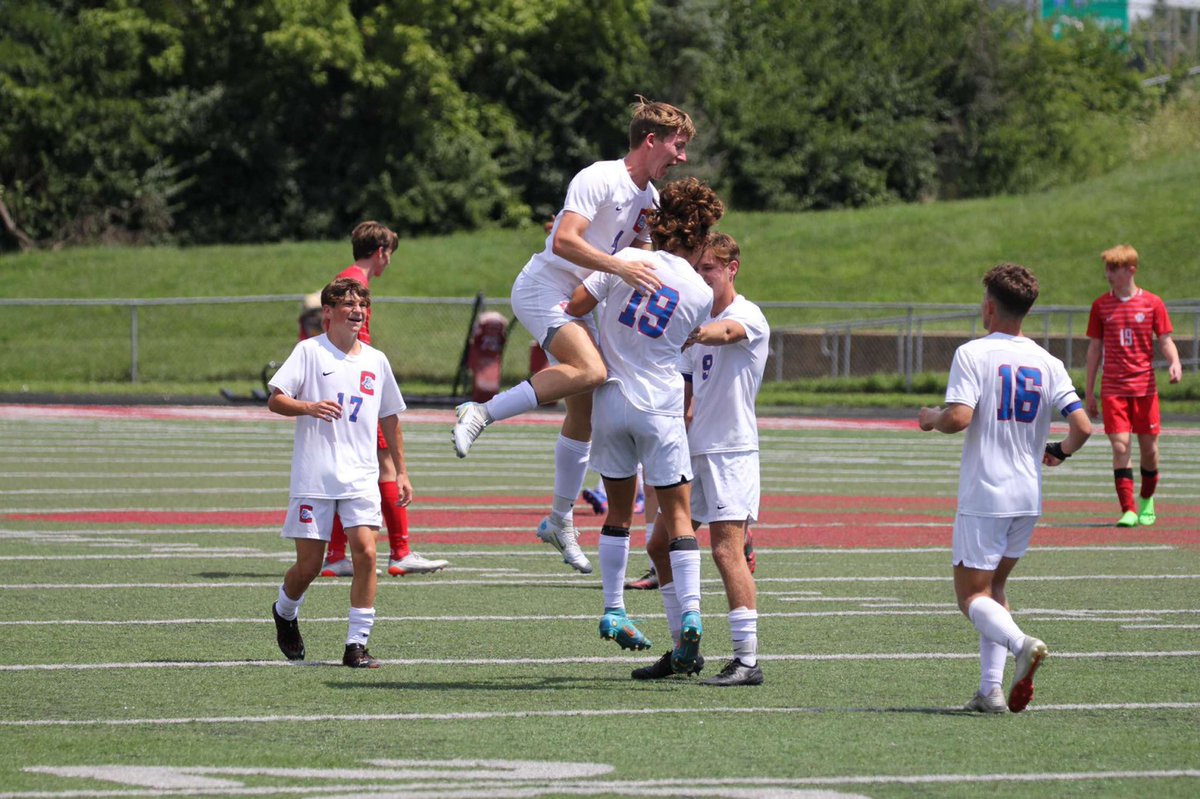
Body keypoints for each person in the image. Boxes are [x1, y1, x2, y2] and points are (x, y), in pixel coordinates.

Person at [451, 98, 695, 575]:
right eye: (678, 145)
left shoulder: (650, 199)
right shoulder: (599, 176)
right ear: (651, 141)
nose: (682, 157)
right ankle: (480, 410)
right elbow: (564, 241)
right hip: (543, 287)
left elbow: (641, 259)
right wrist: (619, 266)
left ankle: (560, 519)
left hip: (583, 296)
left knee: (584, 410)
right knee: (591, 370)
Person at [563, 176, 720, 675]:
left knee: (617, 514)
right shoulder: (698, 289)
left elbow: (576, 307)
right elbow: (687, 340)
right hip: (661, 404)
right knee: (676, 518)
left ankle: (613, 608)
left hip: (611, 399)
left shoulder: (628, 260)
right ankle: (691, 612)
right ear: (699, 237)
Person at [918, 263, 1091, 713]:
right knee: (994, 589)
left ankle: (1020, 644)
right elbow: (1084, 426)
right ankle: (989, 690)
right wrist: (1061, 451)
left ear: (990, 306)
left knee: (970, 596)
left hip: (986, 493)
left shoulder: (973, 353)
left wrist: (931, 417)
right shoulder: (1047, 361)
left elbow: (958, 418)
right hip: (1027, 496)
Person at [634, 232, 769, 686]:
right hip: (693, 453)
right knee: (659, 547)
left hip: (731, 452)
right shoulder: (695, 315)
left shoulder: (745, 315)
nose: (701, 276)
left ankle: (747, 660)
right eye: (697, 268)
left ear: (732, 269)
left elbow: (725, 333)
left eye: (709, 268)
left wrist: (687, 331)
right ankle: (682, 650)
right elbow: (686, 398)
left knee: (726, 549)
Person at [268, 278, 412, 668]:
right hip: (315, 475)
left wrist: (400, 471)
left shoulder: (376, 361)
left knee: (366, 553)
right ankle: (284, 610)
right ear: (327, 312)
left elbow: (390, 417)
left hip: (360, 476)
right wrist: (308, 406)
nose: (357, 310)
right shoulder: (309, 352)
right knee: (309, 566)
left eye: (362, 304)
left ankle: (356, 645)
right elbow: (276, 399)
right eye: (348, 303)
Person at [318, 221, 448, 578]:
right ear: (380, 252)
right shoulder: (355, 284)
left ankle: (335, 554)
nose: (388, 263)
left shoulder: (345, 279)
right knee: (386, 464)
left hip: (346, 383)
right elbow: (347, 338)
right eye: (389, 255)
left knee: (351, 467)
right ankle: (400, 551)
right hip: (357, 385)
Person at [1084, 245, 1182, 528]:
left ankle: (1147, 498)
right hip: (1113, 389)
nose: (1108, 274)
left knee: (1149, 450)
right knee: (1120, 445)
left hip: (1145, 389)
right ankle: (1127, 509)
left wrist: (1174, 362)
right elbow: (1094, 350)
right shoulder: (1101, 306)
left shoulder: (1152, 303)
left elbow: (1165, 339)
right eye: (1107, 268)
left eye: (1113, 268)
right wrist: (1089, 392)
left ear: (1131, 270)